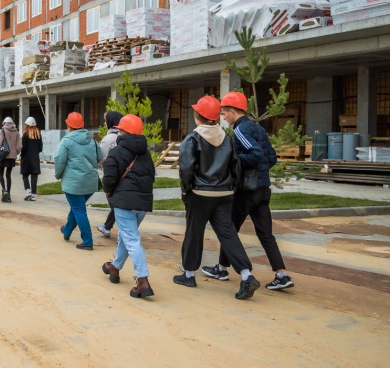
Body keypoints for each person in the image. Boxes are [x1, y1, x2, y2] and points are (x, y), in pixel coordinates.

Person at [176, 95, 261, 300]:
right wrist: (231, 186)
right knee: (228, 234)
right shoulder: (227, 139)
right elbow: (236, 167)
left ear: (198, 116)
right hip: (224, 194)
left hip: (199, 193)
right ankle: (246, 275)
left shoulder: (193, 139)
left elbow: (186, 168)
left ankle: (188, 274)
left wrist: (186, 189)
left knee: (194, 232)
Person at [206, 92, 293, 290]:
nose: (223, 117)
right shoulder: (258, 128)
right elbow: (270, 158)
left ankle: (221, 268)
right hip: (262, 190)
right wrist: (260, 174)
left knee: (229, 229)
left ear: (232, 110)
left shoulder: (240, 130)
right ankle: (281, 274)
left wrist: (234, 163)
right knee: (266, 234)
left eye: (224, 113)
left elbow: (254, 154)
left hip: (246, 191)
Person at [100, 115, 156, 298]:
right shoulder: (145, 153)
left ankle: (143, 281)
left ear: (123, 131)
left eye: (120, 130)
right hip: (142, 203)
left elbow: (109, 178)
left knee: (132, 240)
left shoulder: (117, 151)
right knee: (126, 236)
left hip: (124, 202)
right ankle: (115, 267)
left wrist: (109, 192)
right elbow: (152, 177)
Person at [55, 112, 102, 250]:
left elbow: (59, 160)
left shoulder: (66, 141)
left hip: (74, 182)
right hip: (90, 182)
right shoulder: (92, 140)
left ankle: (87, 241)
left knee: (79, 210)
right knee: (77, 208)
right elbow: (100, 156)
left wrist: (58, 175)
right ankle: (67, 230)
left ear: (69, 125)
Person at [96, 111, 124, 238]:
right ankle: (107, 226)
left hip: (110, 174)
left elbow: (101, 158)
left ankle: (114, 230)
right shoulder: (123, 135)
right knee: (117, 204)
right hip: (124, 174)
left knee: (116, 205)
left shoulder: (108, 139)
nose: (104, 123)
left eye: (105, 120)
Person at [0, 116, 22, 202]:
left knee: (0, 174)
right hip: (12, 156)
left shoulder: (2, 131)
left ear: (4, 123)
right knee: (8, 175)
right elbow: (19, 146)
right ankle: (9, 195)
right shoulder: (16, 132)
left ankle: (4, 190)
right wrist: (15, 152)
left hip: (3, 155)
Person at [20, 117, 43, 201]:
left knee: (25, 175)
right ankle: (33, 195)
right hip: (35, 158)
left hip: (26, 158)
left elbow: (23, 147)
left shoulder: (25, 134)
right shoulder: (38, 134)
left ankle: (28, 191)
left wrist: (21, 154)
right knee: (34, 177)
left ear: (27, 125)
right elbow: (40, 148)